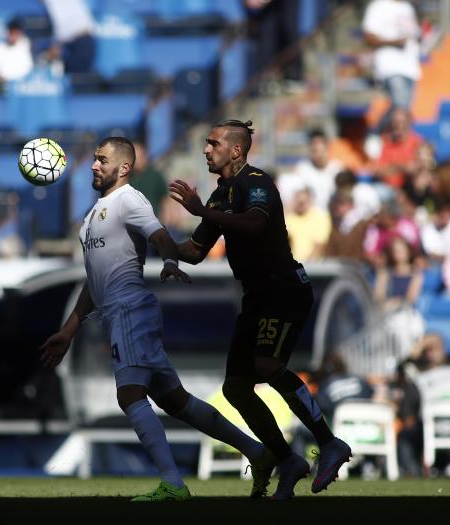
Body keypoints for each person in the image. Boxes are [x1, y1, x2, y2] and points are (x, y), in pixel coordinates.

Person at [40, 136, 277, 501]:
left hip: (130, 307)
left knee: (130, 395)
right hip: (118, 311)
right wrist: (69, 330)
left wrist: (169, 261)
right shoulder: (90, 219)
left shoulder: (129, 200)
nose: (93, 165)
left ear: (123, 168)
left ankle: (173, 483)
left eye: (101, 159)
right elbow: (94, 282)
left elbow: (161, 236)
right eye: (93, 159)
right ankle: (258, 452)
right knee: (177, 402)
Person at [169, 119, 351, 499]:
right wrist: (153, 242)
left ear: (235, 150)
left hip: (284, 290)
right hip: (256, 296)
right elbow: (195, 252)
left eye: (212, 143)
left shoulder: (257, 183)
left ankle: (329, 442)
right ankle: (288, 460)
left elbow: (253, 225)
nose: (206, 149)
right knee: (235, 388)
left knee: (267, 365)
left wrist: (202, 211)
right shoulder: (220, 197)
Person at [362, 0, 421, 130]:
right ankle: (375, 133)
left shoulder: (407, 7)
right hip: (390, 65)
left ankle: (388, 139)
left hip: (410, 66)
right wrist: (393, 42)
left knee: (403, 109)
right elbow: (368, 37)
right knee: (401, 106)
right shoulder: (378, 6)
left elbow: (413, 33)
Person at [278, 130, 344, 213]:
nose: (319, 155)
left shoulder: (337, 168)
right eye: (315, 151)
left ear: (328, 149)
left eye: (322, 150)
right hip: (311, 218)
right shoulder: (302, 169)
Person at [41, 0, 95, 74]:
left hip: (82, 41)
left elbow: (62, 27)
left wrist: (53, 49)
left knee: (78, 77)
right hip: (70, 42)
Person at [283, 187, 331, 262]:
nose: (300, 205)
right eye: (298, 202)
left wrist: (308, 263)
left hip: (313, 265)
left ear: (310, 201)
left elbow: (320, 244)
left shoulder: (320, 217)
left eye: (303, 202)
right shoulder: (289, 218)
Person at [130, 140, 168, 217]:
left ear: (145, 156)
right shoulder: (125, 178)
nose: (135, 160)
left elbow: (165, 201)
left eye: (138, 156)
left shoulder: (155, 176)